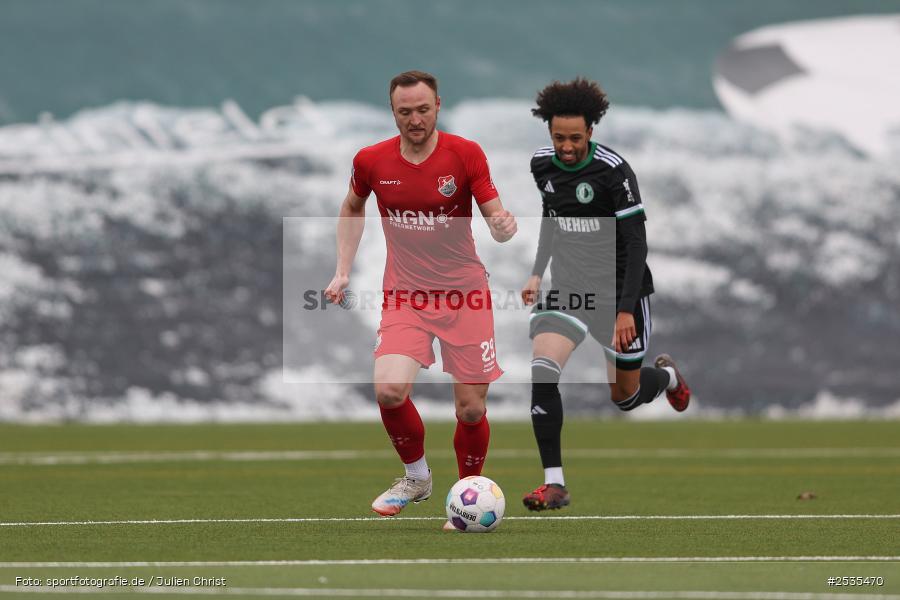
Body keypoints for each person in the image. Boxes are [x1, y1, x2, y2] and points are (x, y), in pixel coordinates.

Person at [324, 70, 517, 527]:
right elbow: (352, 207)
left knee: (470, 408)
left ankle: (467, 496)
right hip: (405, 296)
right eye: (405, 111)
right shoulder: (371, 161)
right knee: (389, 391)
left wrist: (502, 227)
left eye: (423, 109)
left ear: (438, 106)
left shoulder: (465, 154)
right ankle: (416, 477)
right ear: (393, 112)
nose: (415, 119)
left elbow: (493, 212)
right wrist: (342, 270)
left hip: (465, 295)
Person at [520, 78, 691, 511]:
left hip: (619, 294)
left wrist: (625, 310)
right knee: (542, 370)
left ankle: (667, 377)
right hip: (569, 292)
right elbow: (551, 218)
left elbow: (636, 243)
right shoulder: (542, 165)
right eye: (559, 137)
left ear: (591, 131)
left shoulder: (615, 171)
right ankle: (554, 483)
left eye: (575, 138)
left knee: (625, 398)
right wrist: (537, 274)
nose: (566, 147)